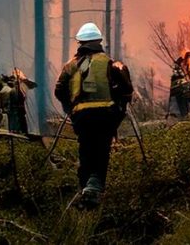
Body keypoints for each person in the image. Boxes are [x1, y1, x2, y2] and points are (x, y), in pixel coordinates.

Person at [54, 22, 134, 207]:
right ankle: (95, 188)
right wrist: (118, 112)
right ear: (99, 41)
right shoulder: (111, 64)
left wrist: (72, 110)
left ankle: (85, 189)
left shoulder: (70, 66)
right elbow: (126, 90)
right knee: (101, 150)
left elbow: (59, 91)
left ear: (80, 43)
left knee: (86, 150)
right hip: (106, 115)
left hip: (82, 117)